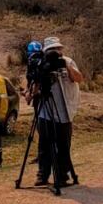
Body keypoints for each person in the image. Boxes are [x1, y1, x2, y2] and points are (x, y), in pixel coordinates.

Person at [34, 37, 83, 191]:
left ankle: (62, 175)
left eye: (57, 49)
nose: (55, 53)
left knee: (63, 145)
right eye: (51, 50)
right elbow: (35, 84)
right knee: (44, 144)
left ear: (61, 50)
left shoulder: (68, 61)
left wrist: (67, 66)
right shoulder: (43, 63)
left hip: (65, 110)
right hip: (46, 110)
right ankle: (42, 175)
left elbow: (79, 78)